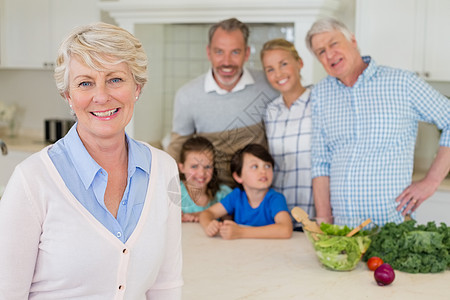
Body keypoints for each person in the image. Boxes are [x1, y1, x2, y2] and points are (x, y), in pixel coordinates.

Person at [0, 22, 183, 298]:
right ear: (69, 96)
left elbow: (166, 286)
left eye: (115, 79)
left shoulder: (164, 169)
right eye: (85, 83)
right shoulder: (32, 180)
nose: (101, 96)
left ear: (137, 88)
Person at [305, 18, 450, 227]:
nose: (329, 55)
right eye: (320, 52)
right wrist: (324, 220)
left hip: (391, 226)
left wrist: (432, 181)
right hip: (343, 230)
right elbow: (320, 161)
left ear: (353, 41)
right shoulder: (320, 94)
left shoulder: (401, 83)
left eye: (333, 44)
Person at [167, 18, 278, 188]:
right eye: (219, 52)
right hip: (212, 198)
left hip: (258, 196)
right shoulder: (187, 95)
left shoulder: (268, 84)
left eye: (235, 52)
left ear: (247, 53)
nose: (226, 62)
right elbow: (177, 150)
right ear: (208, 52)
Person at [260, 38, 314, 229]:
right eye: (270, 69)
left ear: (299, 63)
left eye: (284, 64)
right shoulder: (271, 111)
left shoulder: (319, 101)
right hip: (280, 215)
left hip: (315, 214)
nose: (278, 73)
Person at [199, 144, 293, 239]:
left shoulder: (275, 199)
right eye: (255, 167)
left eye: (267, 166)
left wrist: (241, 232)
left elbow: (286, 230)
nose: (263, 171)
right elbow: (207, 213)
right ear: (238, 176)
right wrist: (209, 225)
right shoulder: (236, 196)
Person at [179, 136, 232, 222]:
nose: (201, 173)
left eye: (207, 167)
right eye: (194, 166)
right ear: (182, 168)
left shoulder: (223, 194)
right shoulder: (173, 193)